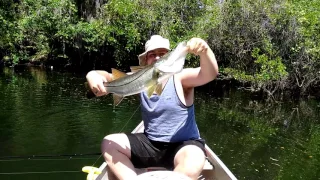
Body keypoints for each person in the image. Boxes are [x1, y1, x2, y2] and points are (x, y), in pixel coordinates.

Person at [86, 35, 218, 180]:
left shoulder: (181, 77)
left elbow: (209, 73)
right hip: (151, 144)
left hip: (184, 144)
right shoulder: (140, 76)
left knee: (192, 161)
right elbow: (108, 76)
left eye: (162, 55)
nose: (156, 58)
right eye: (152, 55)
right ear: (146, 60)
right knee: (109, 143)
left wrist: (205, 51)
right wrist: (93, 75)